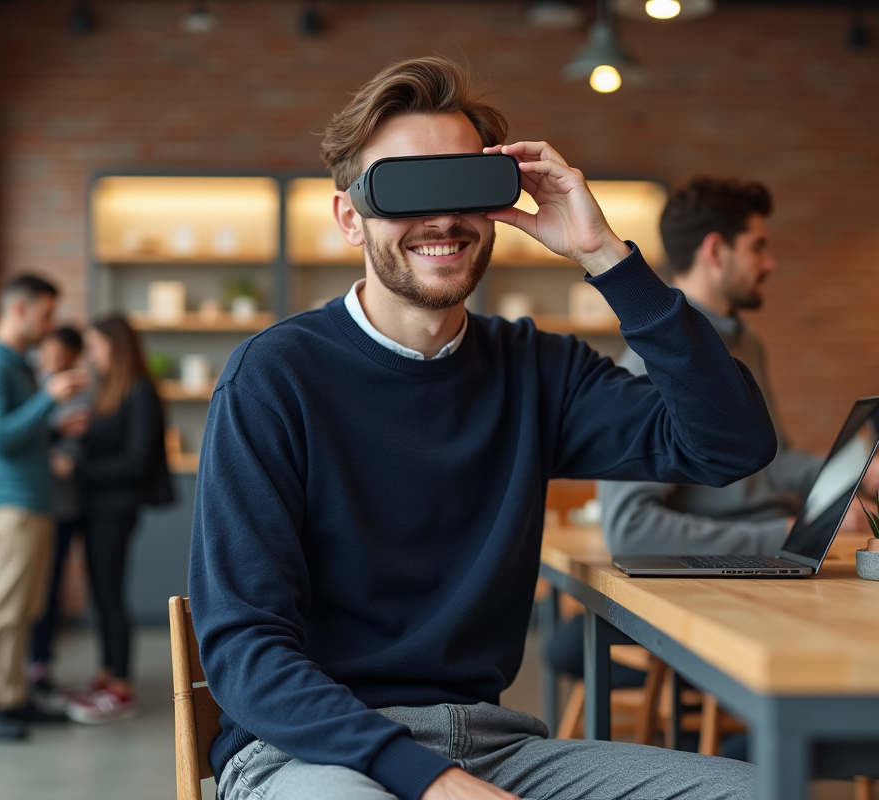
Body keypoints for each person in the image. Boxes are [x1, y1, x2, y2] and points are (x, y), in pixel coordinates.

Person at [190, 56, 779, 800]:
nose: (442, 219)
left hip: (494, 746)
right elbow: (244, 650)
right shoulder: (274, 377)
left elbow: (731, 444)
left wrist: (604, 255)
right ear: (349, 217)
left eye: (463, 184)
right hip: (311, 752)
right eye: (407, 188)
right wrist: (426, 779)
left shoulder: (537, 370)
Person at [599, 177, 879, 560]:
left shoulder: (746, 344)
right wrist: (777, 537)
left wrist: (858, 472)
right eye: (757, 247)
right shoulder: (649, 362)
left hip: (778, 551)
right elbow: (630, 530)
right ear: (716, 252)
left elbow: (774, 464)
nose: (770, 264)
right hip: (732, 573)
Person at [0, 275, 88, 740]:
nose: (50, 325)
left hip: (32, 504)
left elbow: (23, 432)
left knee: (24, 608)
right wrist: (48, 400)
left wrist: (55, 426)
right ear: (19, 310)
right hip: (7, 505)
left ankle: (11, 695)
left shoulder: (17, 365)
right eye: (46, 315)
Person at [60, 315, 172, 725]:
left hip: (116, 509)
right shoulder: (110, 391)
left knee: (110, 595)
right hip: (98, 508)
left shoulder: (140, 391)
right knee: (102, 594)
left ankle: (121, 686)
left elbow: (136, 460)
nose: (91, 356)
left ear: (115, 347)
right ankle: (107, 674)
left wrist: (77, 470)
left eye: (95, 347)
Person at [27, 326, 89, 715]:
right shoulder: (30, 383)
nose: (56, 363)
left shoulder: (77, 390)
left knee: (50, 590)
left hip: (64, 506)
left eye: (65, 357)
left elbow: (73, 453)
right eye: (51, 353)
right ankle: (26, 667)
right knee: (26, 593)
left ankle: (40, 665)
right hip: (32, 503)